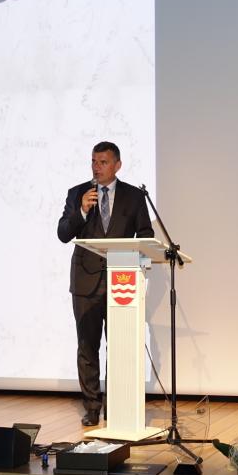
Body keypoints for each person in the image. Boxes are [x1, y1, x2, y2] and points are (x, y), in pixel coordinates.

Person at [57, 141, 154, 426]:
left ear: (117, 165)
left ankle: (116, 407)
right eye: (93, 161)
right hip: (85, 282)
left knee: (119, 346)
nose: (96, 167)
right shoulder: (77, 193)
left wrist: (138, 261)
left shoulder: (134, 197)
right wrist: (81, 212)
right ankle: (91, 407)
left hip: (121, 282)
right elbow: (63, 233)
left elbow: (145, 235)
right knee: (87, 347)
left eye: (103, 162)